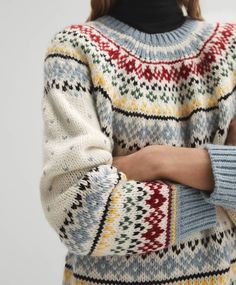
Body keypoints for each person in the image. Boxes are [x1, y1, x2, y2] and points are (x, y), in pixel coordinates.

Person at [39, 0, 236, 284]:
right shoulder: (74, 50)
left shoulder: (229, 48)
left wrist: (155, 160)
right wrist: (216, 191)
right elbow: (78, 215)